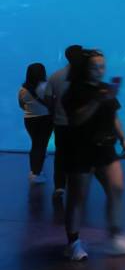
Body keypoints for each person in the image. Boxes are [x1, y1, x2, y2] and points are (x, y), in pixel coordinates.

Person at [62, 49, 125, 260]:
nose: (100, 70)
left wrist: (123, 137)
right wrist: (96, 100)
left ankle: (115, 237)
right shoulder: (74, 91)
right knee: (77, 198)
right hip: (80, 149)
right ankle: (73, 242)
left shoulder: (106, 88)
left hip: (106, 147)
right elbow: (77, 119)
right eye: (95, 67)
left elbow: (113, 116)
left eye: (102, 66)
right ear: (85, 69)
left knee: (117, 189)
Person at [45, 44, 82, 200]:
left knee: (61, 155)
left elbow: (47, 98)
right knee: (79, 154)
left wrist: (54, 111)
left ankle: (59, 186)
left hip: (60, 123)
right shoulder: (85, 77)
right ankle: (78, 186)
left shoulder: (55, 76)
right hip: (81, 124)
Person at [18, 63, 53, 184]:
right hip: (46, 119)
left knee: (35, 144)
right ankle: (36, 173)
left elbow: (21, 105)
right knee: (41, 145)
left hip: (29, 120)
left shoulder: (23, 89)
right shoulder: (47, 86)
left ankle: (34, 171)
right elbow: (52, 102)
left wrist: (32, 110)